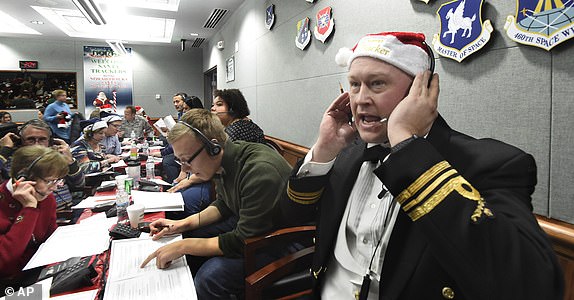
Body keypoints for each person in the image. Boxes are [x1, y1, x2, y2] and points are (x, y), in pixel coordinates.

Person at [281, 32, 564, 299]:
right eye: (354, 84)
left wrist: (407, 145)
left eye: (377, 84)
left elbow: (533, 285)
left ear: (423, 90)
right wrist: (323, 150)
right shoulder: (347, 153)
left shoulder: (491, 163)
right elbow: (289, 217)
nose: (361, 99)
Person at [140, 109, 293, 298]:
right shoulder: (223, 160)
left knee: (209, 278)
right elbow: (224, 204)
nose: (185, 169)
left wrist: (183, 246)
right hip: (252, 226)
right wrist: (182, 225)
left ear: (213, 147)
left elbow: (241, 240)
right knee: (190, 233)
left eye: (187, 160)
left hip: (282, 241)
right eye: (180, 161)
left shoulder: (260, 172)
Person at [0, 146, 68, 282]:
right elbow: (4, 261)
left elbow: (50, 240)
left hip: (39, 272)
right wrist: (29, 208)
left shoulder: (46, 198)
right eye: (49, 181)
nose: (54, 188)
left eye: (57, 181)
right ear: (23, 178)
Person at [0, 119, 85, 211]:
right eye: (30, 139)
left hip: (71, 210)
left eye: (42, 139)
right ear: (20, 141)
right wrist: (5, 151)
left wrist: (70, 161)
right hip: (38, 215)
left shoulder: (57, 157)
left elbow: (79, 184)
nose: (37, 144)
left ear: (50, 141)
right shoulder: (12, 160)